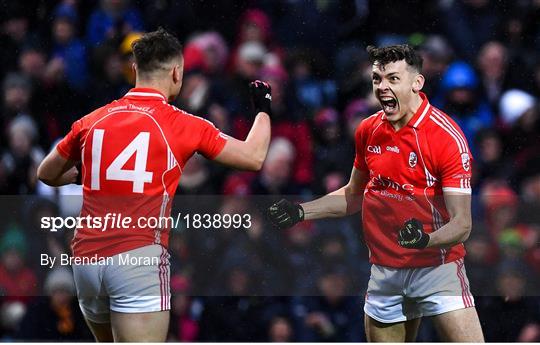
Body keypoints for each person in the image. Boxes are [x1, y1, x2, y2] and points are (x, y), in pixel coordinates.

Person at [37, 28, 272, 342]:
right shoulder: (183, 124)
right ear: (176, 73)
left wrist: (92, 173)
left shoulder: (92, 120)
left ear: (134, 70)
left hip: (87, 261)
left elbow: (46, 173)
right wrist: (263, 109)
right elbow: (254, 157)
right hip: (138, 259)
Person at [268, 44, 484, 342]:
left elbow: (463, 224)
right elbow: (352, 195)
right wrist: (301, 211)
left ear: (416, 83)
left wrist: (424, 241)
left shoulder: (446, 137)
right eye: (376, 79)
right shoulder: (368, 130)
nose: (382, 87)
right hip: (386, 272)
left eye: (393, 79)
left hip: (437, 268)